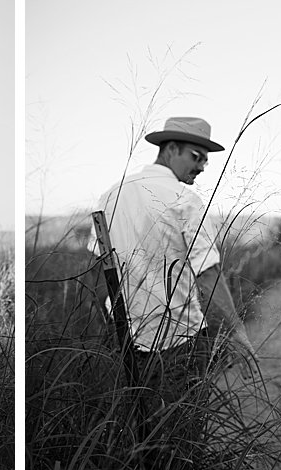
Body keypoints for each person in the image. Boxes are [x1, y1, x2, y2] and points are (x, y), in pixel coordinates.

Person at [91, 116, 259, 404]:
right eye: (196, 157)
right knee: (182, 426)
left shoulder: (109, 195)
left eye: (206, 161)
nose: (202, 166)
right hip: (179, 339)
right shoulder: (185, 199)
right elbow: (207, 273)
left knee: (134, 422)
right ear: (170, 149)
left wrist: (116, 319)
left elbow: (101, 266)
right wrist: (237, 332)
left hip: (122, 335)